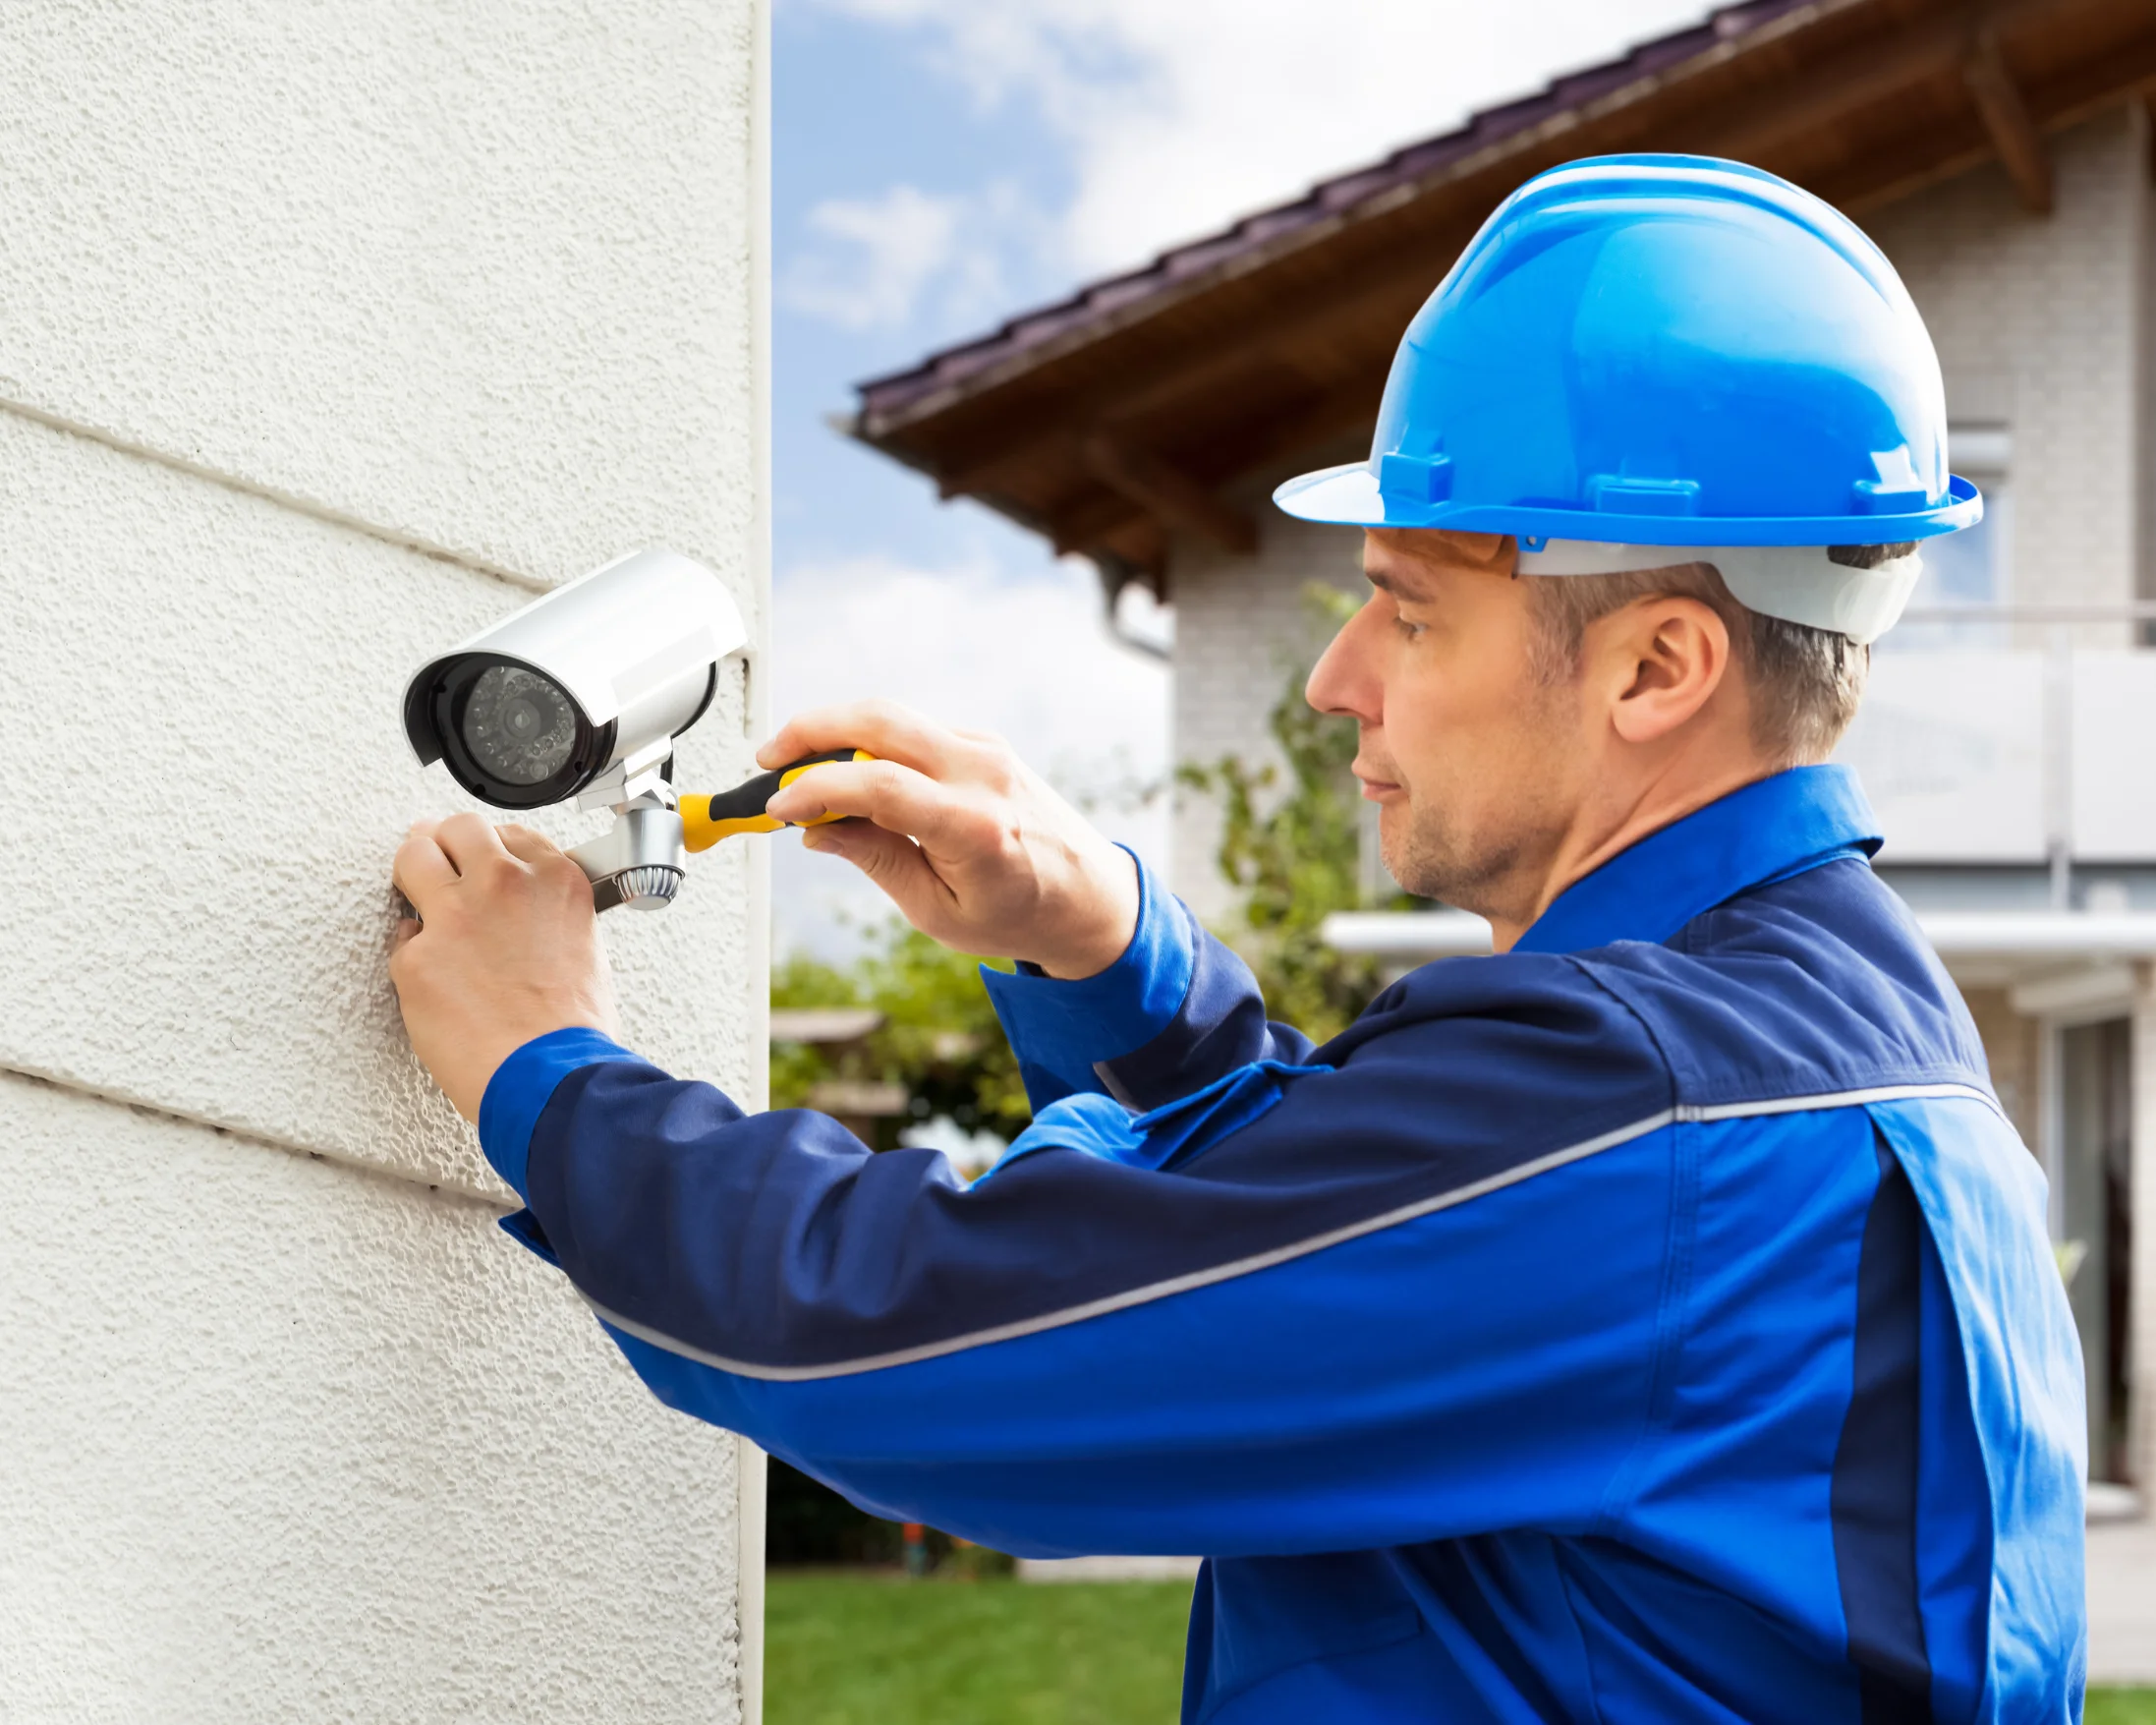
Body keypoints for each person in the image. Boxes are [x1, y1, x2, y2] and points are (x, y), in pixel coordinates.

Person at [388, 156, 2085, 1723]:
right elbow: (1351, 1269)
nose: (1339, 678)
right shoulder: (1832, 1054)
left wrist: (547, 1060)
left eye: (1409, 607)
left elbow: (902, 1346)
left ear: (1657, 668)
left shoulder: (1637, 1106)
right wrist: (1108, 955)